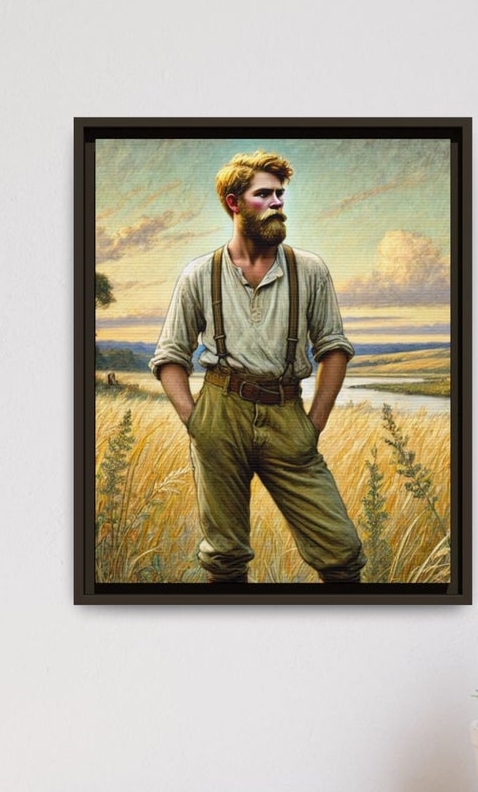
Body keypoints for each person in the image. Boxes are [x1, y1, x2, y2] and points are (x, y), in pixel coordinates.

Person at [149, 150, 365, 584]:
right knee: (224, 557)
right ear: (234, 203)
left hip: (287, 415)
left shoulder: (310, 270)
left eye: (280, 195)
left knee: (341, 552)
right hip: (219, 411)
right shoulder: (198, 275)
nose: (277, 203)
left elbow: (334, 349)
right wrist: (197, 422)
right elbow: (171, 356)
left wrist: (313, 425)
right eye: (263, 194)